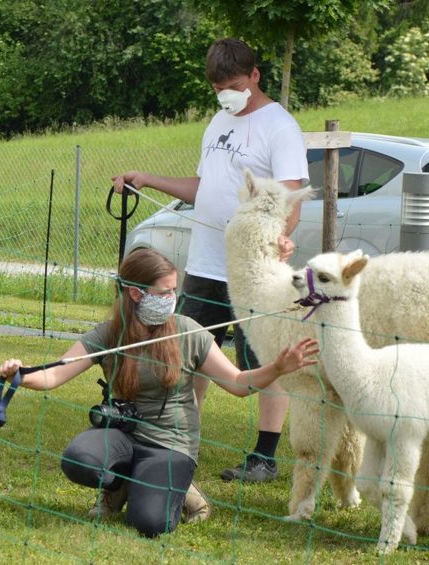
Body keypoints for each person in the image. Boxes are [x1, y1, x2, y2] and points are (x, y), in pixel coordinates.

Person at [0, 248, 318, 537]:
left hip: (171, 445)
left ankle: (186, 493)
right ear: (136, 294)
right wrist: (20, 374)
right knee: (78, 461)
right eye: (164, 292)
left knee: (150, 523)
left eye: (174, 291)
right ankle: (121, 486)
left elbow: (237, 383)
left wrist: (277, 367)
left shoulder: (188, 331)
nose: (172, 298)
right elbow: (55, 373)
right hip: (123, 435)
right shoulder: (111, 332)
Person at [112, 38, 309, 484]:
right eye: (219, 88)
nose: (227, 95)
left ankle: (264, 457)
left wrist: (281, 237)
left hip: (253, 271)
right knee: (186, 355)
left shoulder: (280, 127)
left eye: (235, 86)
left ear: (255, 76)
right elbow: (204, 187)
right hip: (204, 265)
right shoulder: (218, 122)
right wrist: (148, 179)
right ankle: (176, 444)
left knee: (265, 357)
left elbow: (290, 197)